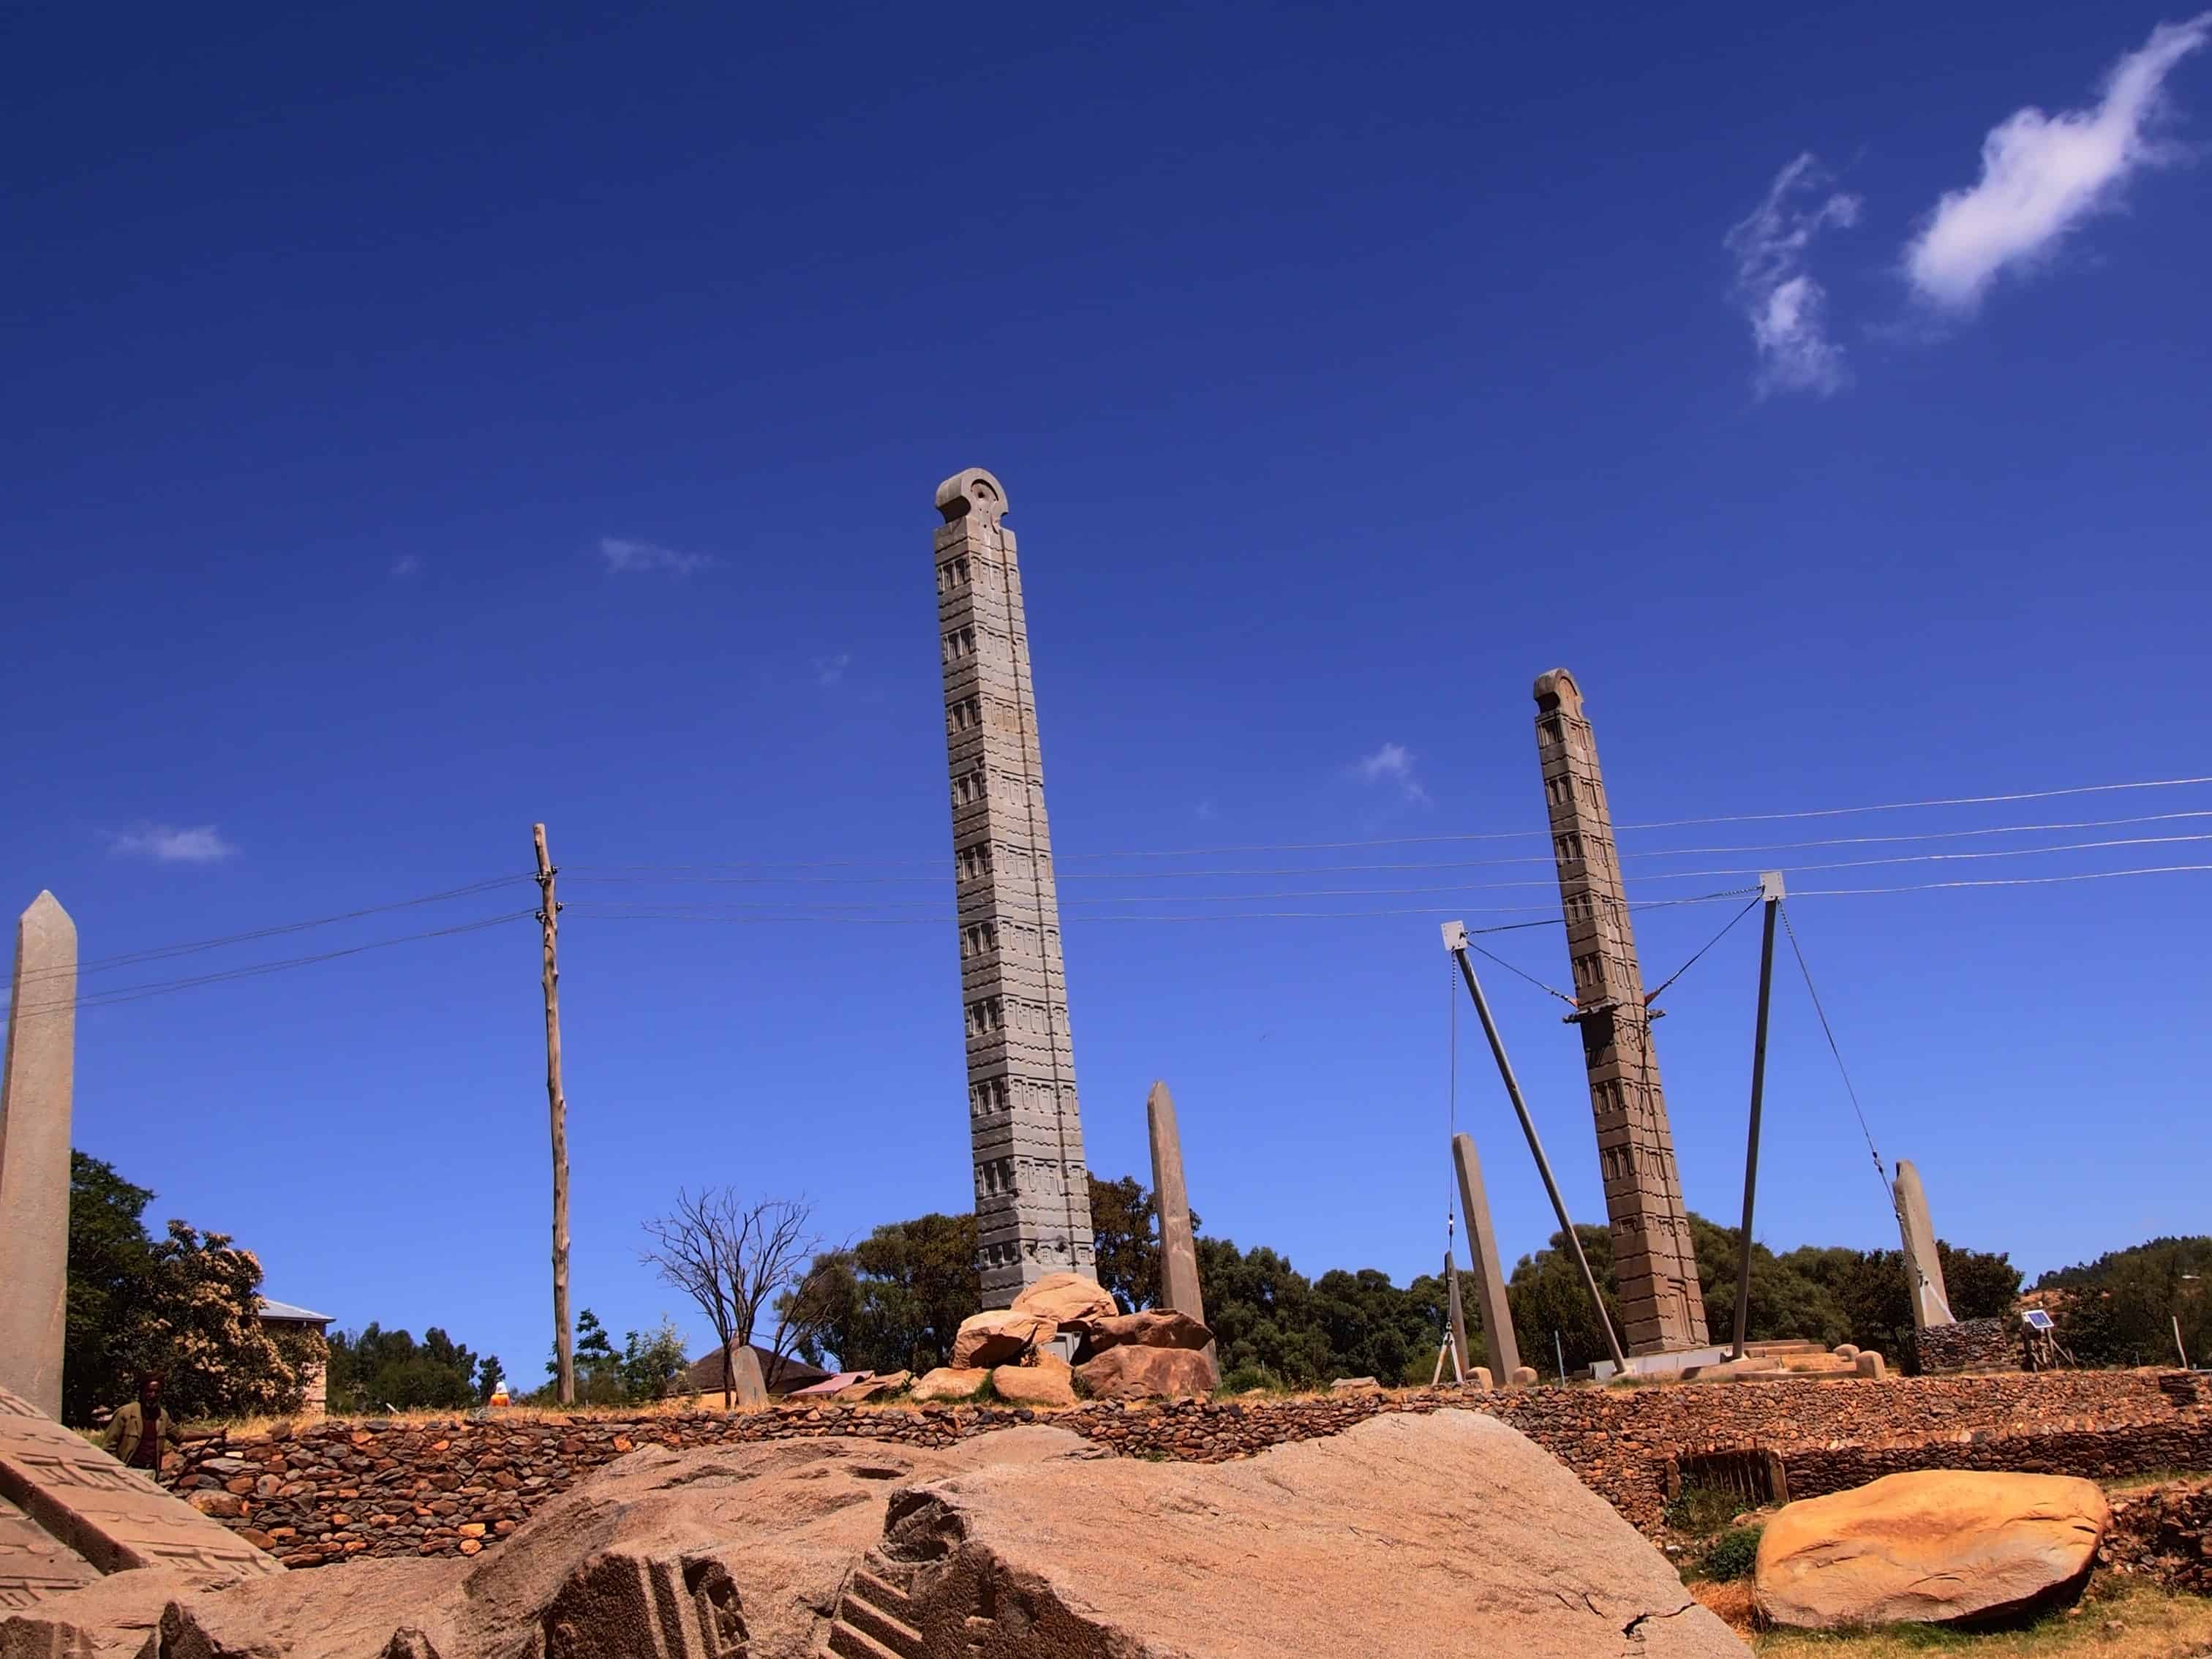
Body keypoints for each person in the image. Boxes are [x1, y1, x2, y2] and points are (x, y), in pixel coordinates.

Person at [101, 1373, 179, 1472]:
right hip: (128, 1471)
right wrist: (119, 1469)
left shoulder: (162, 1416)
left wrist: (204, 1434)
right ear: (141, 1392)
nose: (153, 1395)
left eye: (157, 1392)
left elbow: (179, 1436)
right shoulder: (126, 1413)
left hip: (151, 1473)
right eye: (149, 1391)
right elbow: (108, 1447)